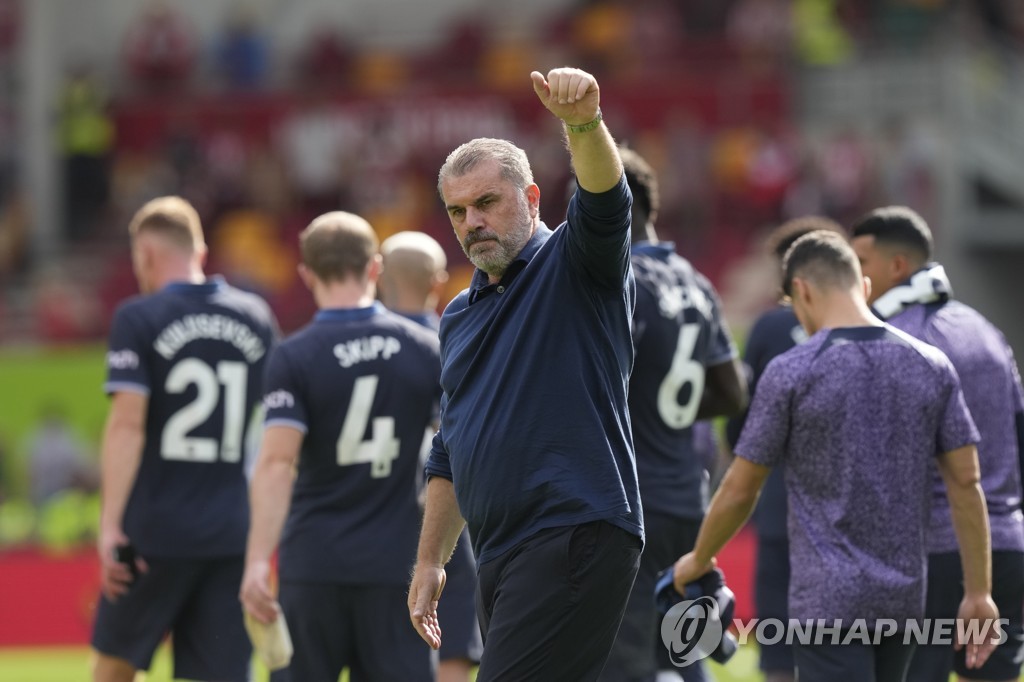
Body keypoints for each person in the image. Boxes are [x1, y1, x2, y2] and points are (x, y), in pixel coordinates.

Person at [673, 230, 1000, 681]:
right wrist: (979, 591)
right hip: (904, 602)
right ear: (863, 286)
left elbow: (742, 486)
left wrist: (700, 555)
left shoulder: (792, 371)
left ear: (801, 291)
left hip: (827, 605)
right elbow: (966, 483)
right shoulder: (932, 364)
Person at [408, 67, 644, 680]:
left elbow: (606, 202)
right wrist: (431, 558)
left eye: (487, 203)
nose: (471, 224)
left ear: (533, 198)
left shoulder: (574, 265)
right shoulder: (458, 314)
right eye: (457, 212)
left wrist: (583, 124)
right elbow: (451, 448)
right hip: (502, 550)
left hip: (573, 528)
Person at [240, 212, 441, 681]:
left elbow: (275, 463)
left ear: (307, 274)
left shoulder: (294, 356)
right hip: (397, 566)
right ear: (375, 268)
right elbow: (455, 454)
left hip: (314, 564)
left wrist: (255, 563)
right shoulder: (425, 348)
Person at [91, 196, 279, 682]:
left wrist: (110, 526)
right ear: (199, 250)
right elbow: (277, 430)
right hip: (230, 532)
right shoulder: (256, 316)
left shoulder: (138, 317)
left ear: (147, 255)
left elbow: (128, 425)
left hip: (153, 531)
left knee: (113, 665)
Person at [850, 206, 1024, 682]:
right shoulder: (987, 331)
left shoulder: (893, 339)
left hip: (931, 554)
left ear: (897, 266)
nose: (853, 277)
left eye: (861, 264)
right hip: (1006, 544)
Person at [597, 146, 748, 682]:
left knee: (628, 661)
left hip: (630, 501)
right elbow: (732, 392)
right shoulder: (698, 283)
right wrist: (668, 410)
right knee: (686, 651)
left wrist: (637, 411)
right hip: (689, 498)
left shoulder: (621, 282)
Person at [724, 214, 847, 682]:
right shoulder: (874, 329)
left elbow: (741, 421)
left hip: (781, 505)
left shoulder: (770, 329)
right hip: (852, 515)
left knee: (779, 653)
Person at [379, 230, 484, 682]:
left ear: (378, 278)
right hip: (437, 515)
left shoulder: (351, 344)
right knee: (449, 632)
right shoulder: (453, 341)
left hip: (363, 520)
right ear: (438, 281)